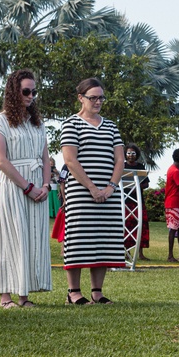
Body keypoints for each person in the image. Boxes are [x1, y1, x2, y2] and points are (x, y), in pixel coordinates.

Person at [0, 70, 53, 308]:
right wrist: (28, 187)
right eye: (26, 91)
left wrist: (45, 186)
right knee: (10, 239)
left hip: (38, 186)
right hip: (13, 187)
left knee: (31, 240)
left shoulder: (38, 124)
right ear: (14, 92)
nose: (31, 96)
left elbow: (46, 158)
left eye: (34, 91)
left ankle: (24, 297)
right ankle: (6, 298)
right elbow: (1, 160)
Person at [61, 78, 125, 303]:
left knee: (104, 239)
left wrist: (110, 187)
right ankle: (73, 292)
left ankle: (97, 292)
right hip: (81, 193)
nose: (98, 101)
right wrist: (92, 188)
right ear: (81, 98)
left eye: (101, 97)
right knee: (79, 239)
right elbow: (70, 160)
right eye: (93, 97)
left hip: (109, 193)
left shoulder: (110, 125)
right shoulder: (71, 124)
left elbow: (119, 160)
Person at [122, 143, 150, 261]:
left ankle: (140, 253)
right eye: (128, 153)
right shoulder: (121, 166)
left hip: (138, 200)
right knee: (126, 226)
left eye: (133, 153)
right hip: (125, 201)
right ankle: (126, 252)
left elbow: (146, 183)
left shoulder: (140, 166)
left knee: (141, 226)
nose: (131, 156)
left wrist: (137, 185)